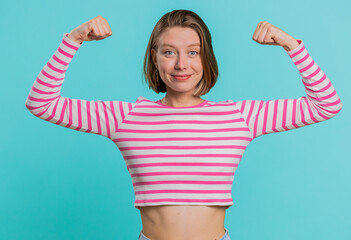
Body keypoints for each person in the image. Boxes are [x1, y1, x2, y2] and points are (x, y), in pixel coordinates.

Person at [25, 9, 342, 240]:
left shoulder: (238, 117)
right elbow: (42, 103)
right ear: (155, 57)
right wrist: (73, 39)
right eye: (169, 52)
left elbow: (326, 104)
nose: (181, 64)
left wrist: (292, 46)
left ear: (206, 59)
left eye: (193, 52)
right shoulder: (127, 117)